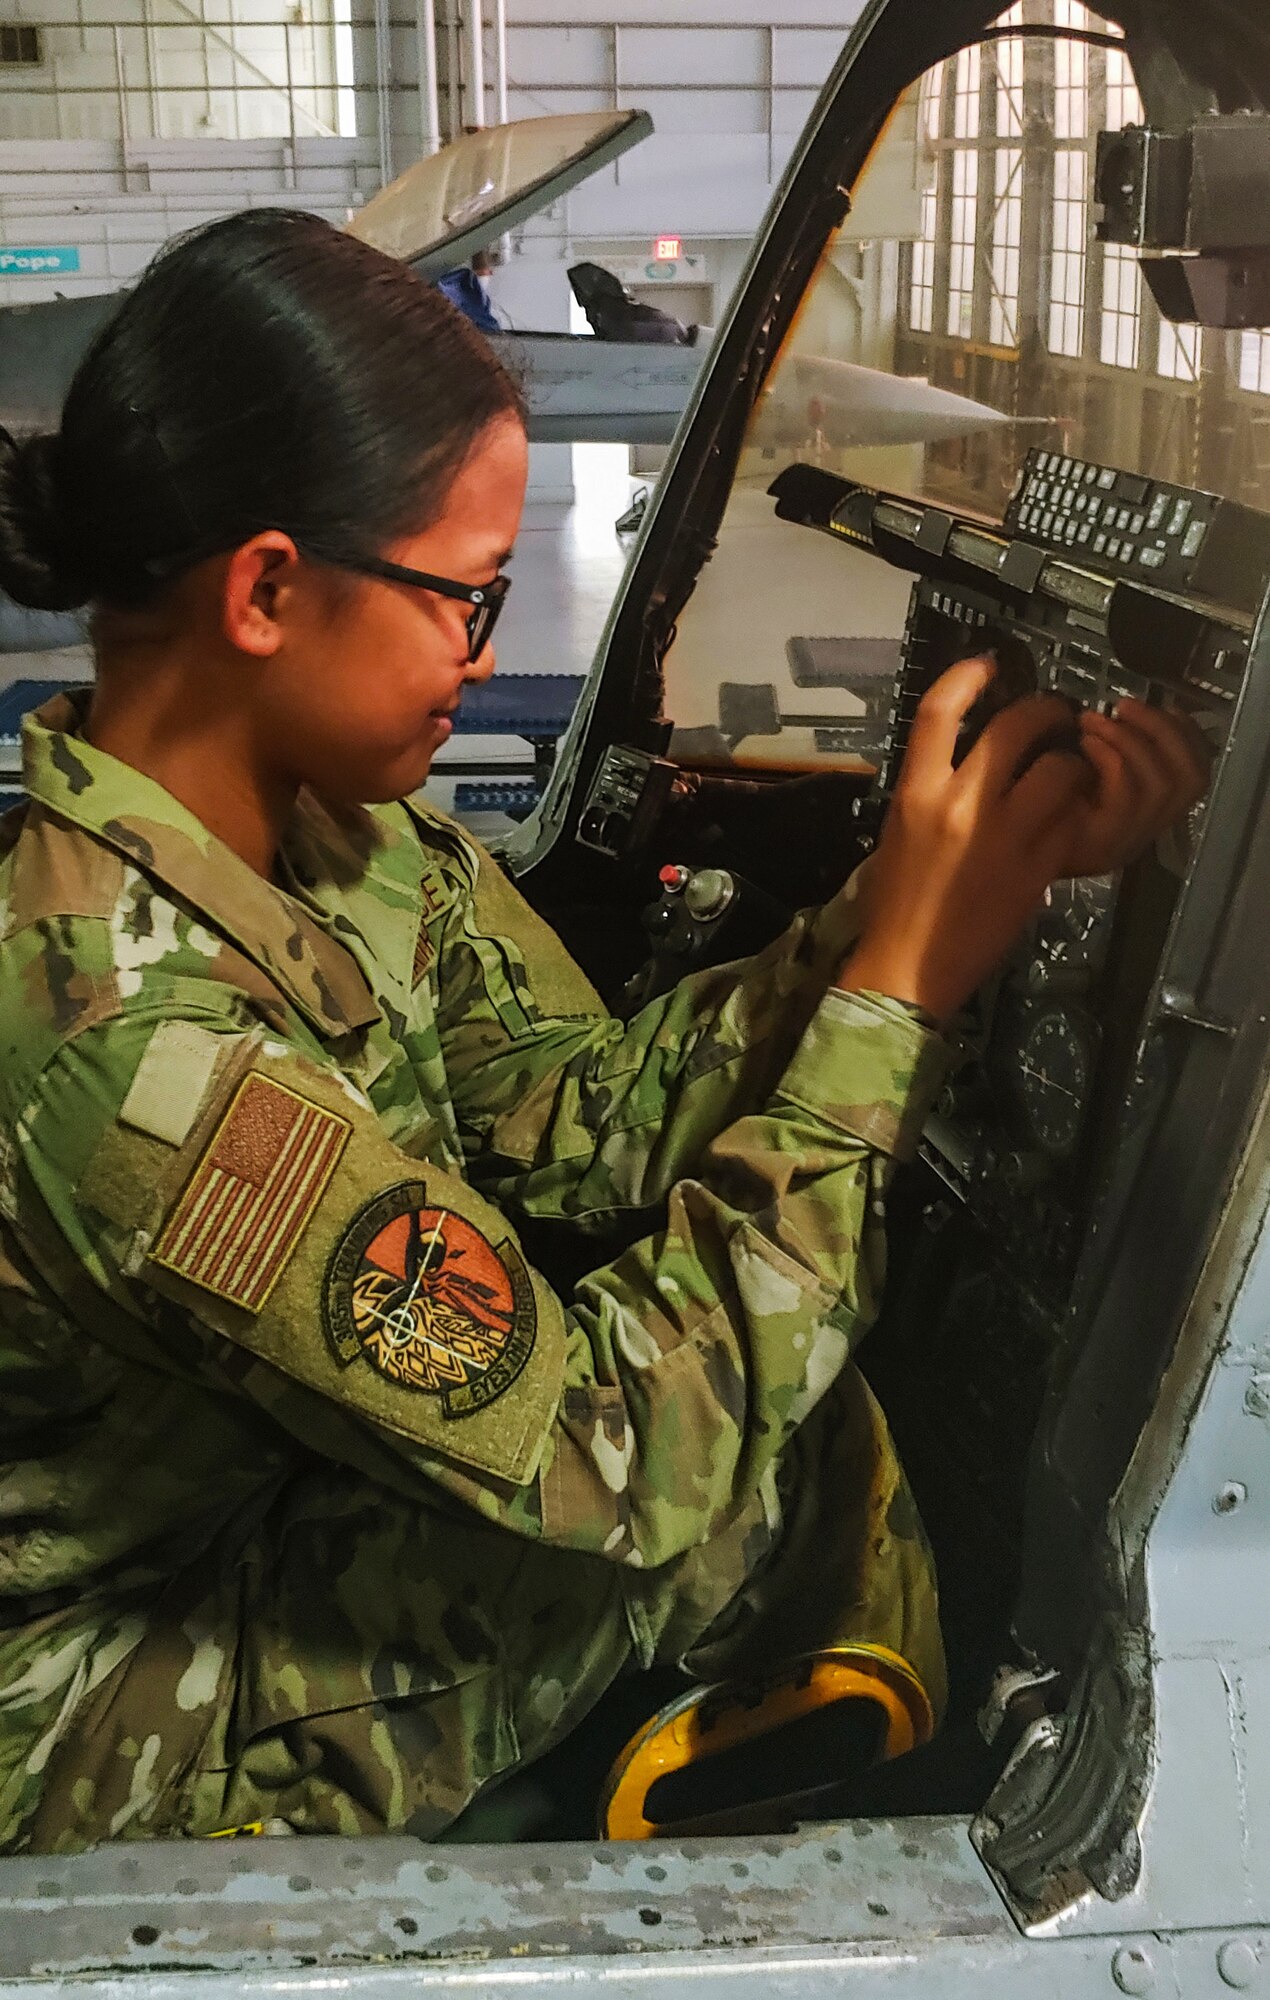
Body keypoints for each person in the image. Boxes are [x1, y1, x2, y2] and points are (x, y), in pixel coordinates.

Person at [0, 209, 1206, 1854]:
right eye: (463, 602)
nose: (478, 658)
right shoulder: (138, 1057)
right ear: (270, 589)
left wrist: (919, 905)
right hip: (92, 1698)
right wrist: (894, 999)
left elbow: (585, 1112)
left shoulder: (337, 837)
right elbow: (626, 1453)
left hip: (250, 1495)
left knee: (786, 1391)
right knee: (719, 1488)